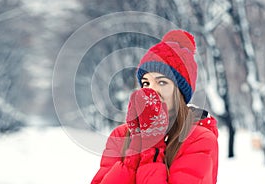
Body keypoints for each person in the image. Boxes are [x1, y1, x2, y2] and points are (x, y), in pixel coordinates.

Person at [91, 29, 219, 184]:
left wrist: (151, 148)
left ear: (180, 91)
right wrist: (134, 155)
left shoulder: (198, 139)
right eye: (146, 83)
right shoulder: (121, 135)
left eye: (162, 82)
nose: (152, 90)